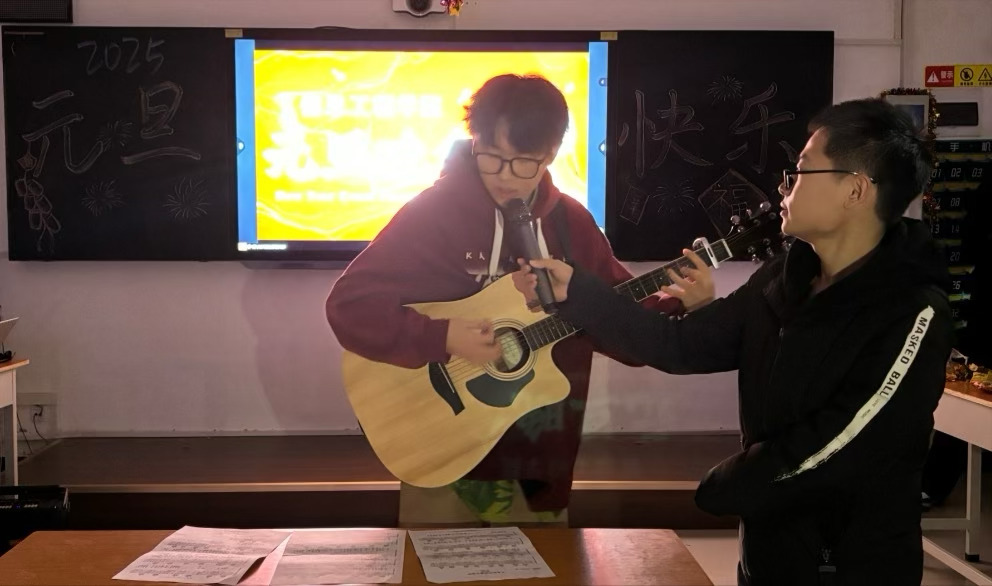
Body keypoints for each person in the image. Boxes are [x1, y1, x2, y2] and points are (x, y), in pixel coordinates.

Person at [514, 98, 952, 584]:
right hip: (767, 552)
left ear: (855, 190)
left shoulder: (912, 310)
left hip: (854, 565)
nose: (785, 186)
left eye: (802, 170)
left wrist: (729, 484)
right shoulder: (784, 278)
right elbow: (679, 345)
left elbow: (838, 443)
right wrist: (577, 293)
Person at [325, 73, 715, 528]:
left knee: (545, 566)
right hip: (438, 453)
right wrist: (443, 336)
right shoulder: (431, 215)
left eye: (524, 162)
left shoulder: (571, 225)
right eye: (492, 157)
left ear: (551, 153)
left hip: (539, 462)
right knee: (430, 563)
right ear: (474, 140)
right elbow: (349, 306)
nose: (505, 176)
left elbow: (622, 334)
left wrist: (681, 304)